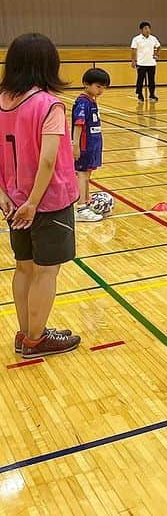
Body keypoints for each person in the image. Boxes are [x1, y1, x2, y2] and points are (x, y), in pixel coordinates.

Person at [0, 33, 81, 359]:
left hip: (14, 199)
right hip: (46, 202)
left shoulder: (2, 100)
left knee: (24, 267)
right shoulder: (49, 104)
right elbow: (48, 159)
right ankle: (36, 339)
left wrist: (4, 194)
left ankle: (26, 333)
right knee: (47, 271)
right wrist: (34, 202)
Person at [72, 68, 111, 223]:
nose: (101, 90)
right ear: (86, 84)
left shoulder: (92, 101)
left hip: (93, 145)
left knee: (87, 175)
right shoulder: (82, 102)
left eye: (104, 87)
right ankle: (80, 207)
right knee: (82, 174)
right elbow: (78, 124)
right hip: (84, 146)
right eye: (98, 86)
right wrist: (75, 145)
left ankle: (86, 202)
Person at [130, 21, 161, 102]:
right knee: (140, 80)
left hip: (151, 63)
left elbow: (158, 46)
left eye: (149, 28)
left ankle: (152, 95)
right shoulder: (136, 39)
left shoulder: (153, 38)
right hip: (141, 63)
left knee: (152, 80)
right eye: (145, 28)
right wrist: (133, 61)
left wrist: (156, 55)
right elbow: (133, 50)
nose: (147, 30)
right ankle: (140, 95)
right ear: (141, 30)